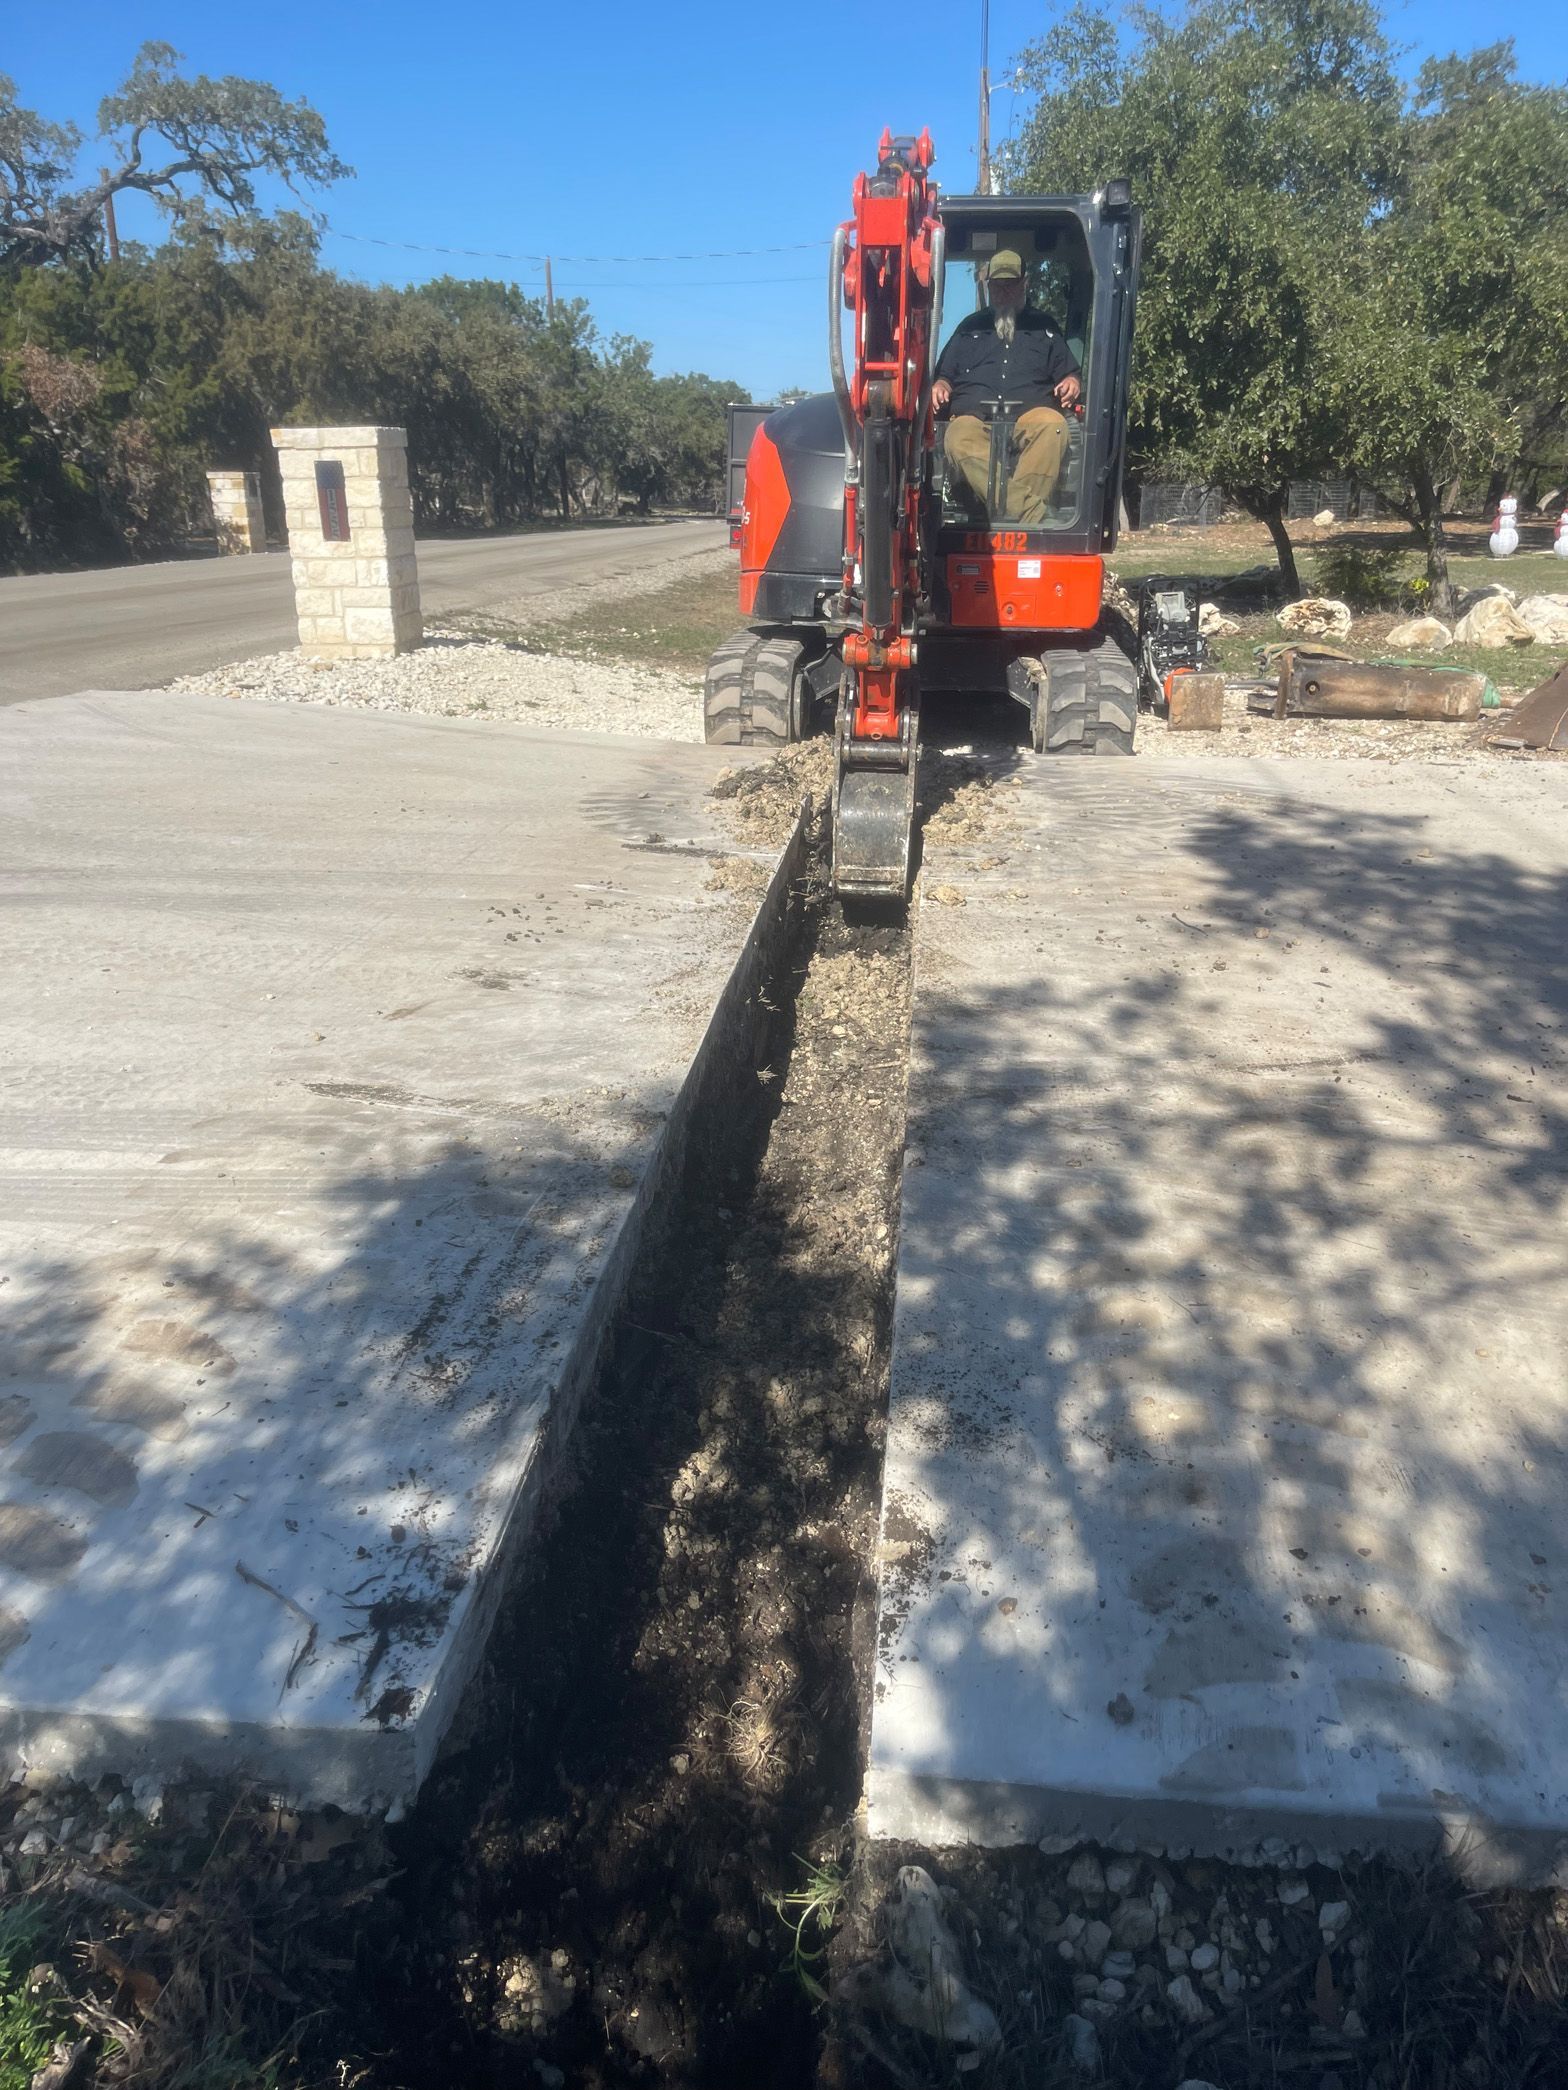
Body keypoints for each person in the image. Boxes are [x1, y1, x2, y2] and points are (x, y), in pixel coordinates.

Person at [932, 248, 1081, 525]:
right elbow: (943, 375)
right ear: (987, 286)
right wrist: (940, 384)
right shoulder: (969, 328)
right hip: (974, 419)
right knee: (957, 436)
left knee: (1054, 426)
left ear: (1024, 284)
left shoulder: (1044, 327)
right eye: (997, 286)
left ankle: (1006, 514)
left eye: (1010, 285)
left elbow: (1070, 372)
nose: (1003, 292)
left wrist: (1071, 381)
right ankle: (1029, 514)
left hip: (1030, 416)